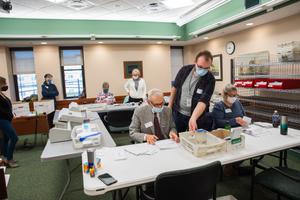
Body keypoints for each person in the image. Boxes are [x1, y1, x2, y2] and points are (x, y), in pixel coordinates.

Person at [168, 50, 216, 132]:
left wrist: (193, 117)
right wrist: (169, 107)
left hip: (197, 116)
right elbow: (174, 88)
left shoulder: (210, 79)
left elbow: (203, 101)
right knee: (177, 136)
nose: (203, 70)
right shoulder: (184, 70)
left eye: (206, 68)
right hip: (178, 113)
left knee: (196, 138)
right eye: (200, 67)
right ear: (195, 62)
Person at [0, 76, 19, 168]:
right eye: (4, 83)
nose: (5, 85)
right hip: (2, 120)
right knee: (14, 138)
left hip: (7, 119)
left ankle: (5, 158)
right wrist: (9, 114)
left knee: (6, 139)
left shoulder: (2, 94)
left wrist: (11, 114)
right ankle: (9, 159)